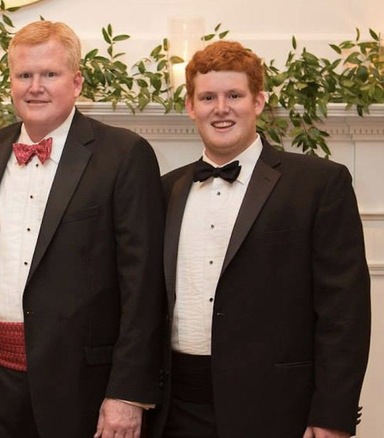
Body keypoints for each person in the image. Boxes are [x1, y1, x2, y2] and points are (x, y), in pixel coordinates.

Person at [152, 40, 371, 438]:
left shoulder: (319, 184)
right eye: (208, 97)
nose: (221, 108)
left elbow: (344, 313)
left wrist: (332, 415)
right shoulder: (165, 191)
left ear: (258, 101)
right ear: (190, 106)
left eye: (234, 95)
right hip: (175, 410)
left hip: (277, 408)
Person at [0, 20, 166, 438]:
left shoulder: (124, 154)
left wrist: (127, 393)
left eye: (50, 74)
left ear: (76, 83)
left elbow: (144, 285)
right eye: (24, 75)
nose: (35, 87)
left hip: (84, 388)